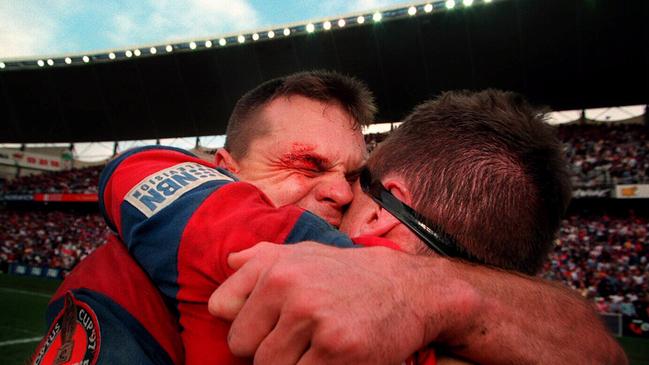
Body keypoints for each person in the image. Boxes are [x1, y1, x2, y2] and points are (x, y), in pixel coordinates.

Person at [36, 72, 624, 364]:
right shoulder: (129, 279)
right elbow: (140, 169)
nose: (339, 194)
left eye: (353, 175)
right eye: (304, 164)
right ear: (222, 167)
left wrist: (431, 292)